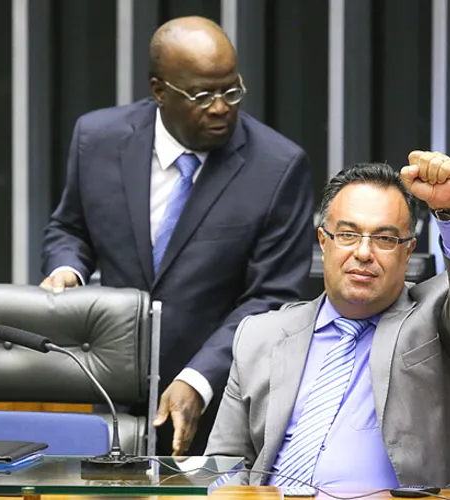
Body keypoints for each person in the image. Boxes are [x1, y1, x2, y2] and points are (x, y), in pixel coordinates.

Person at [40, 16, 314, 456]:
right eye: (202, 95)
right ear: (159, 91)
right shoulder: (98, 139)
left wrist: (199, 378)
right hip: (111, 393)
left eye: (231, 90)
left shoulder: (278, 167)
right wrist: (67, 268)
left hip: (218, 406)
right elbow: (70, 228)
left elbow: (271, 297)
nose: (221, 107)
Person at [205, 154, 450, 491]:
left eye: (384, 239)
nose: (364, 253)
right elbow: (224, 462)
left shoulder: (439, 319)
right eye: (348, 234)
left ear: (408, 251)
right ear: (324, 242)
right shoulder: (259, 335)